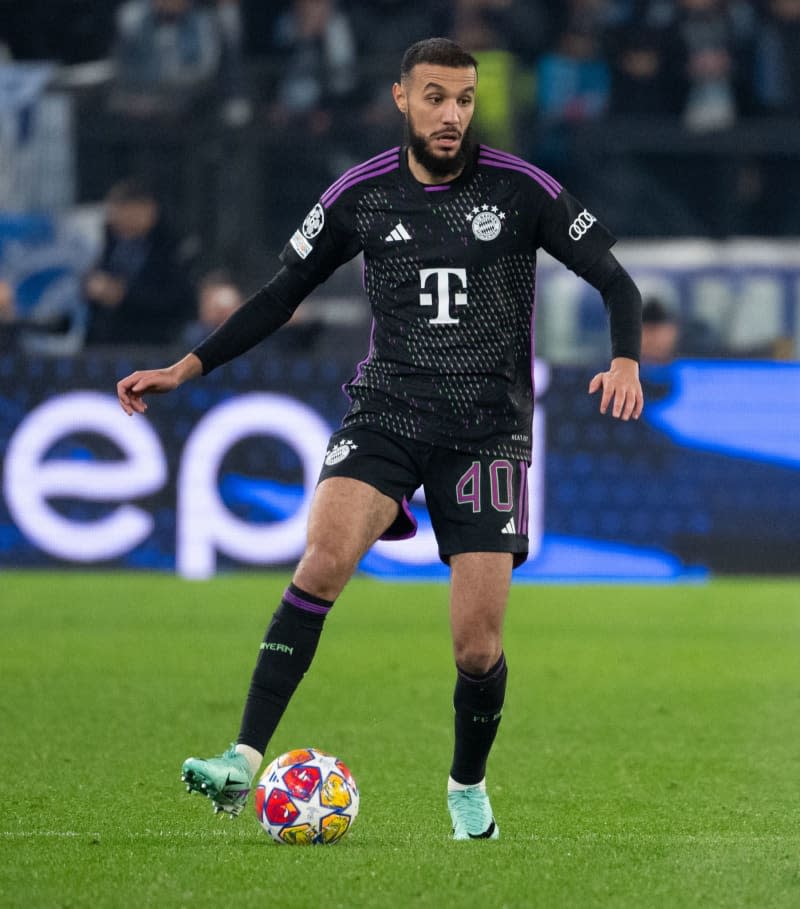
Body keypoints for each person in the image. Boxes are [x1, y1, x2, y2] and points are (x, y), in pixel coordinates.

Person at [116, 37, 644, 840]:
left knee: (477, 647)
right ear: (402, 98)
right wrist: (187, 367)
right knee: (322, 561)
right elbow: (280, 293)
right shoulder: (362, 194)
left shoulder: (522, 188)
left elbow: (615, 277)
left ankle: (467, 782)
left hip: (486, 432)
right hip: (388, 412)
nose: (451, 115)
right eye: (435, 97)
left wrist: (626, 357)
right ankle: (243, 755)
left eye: (463, 100)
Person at [85, 178, 194, 346]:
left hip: (153, 344)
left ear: (149, 210)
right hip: (105, 344)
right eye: (117, 212)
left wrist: (124, 295)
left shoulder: (172, 249)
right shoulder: (108, 243)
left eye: (129, 212)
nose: (122, 220)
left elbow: (179, 300)